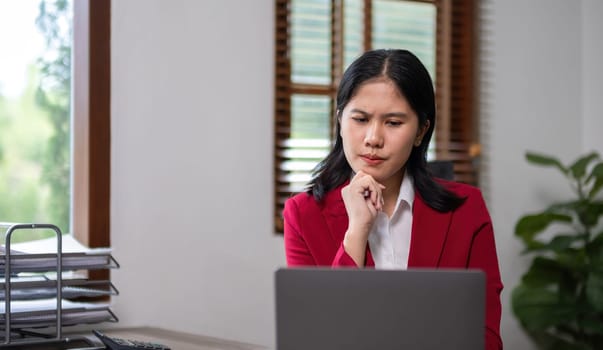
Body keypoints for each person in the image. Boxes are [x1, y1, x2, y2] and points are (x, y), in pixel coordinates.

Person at [283, 49, 503, 350]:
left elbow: (485, 337)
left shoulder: (467, 209)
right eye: (360, 119)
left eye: (394, 123)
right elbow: (315, 338)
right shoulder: (303, 215)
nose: (373, 138)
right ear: (339, 120)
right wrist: (356, 231)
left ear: (421, 131)